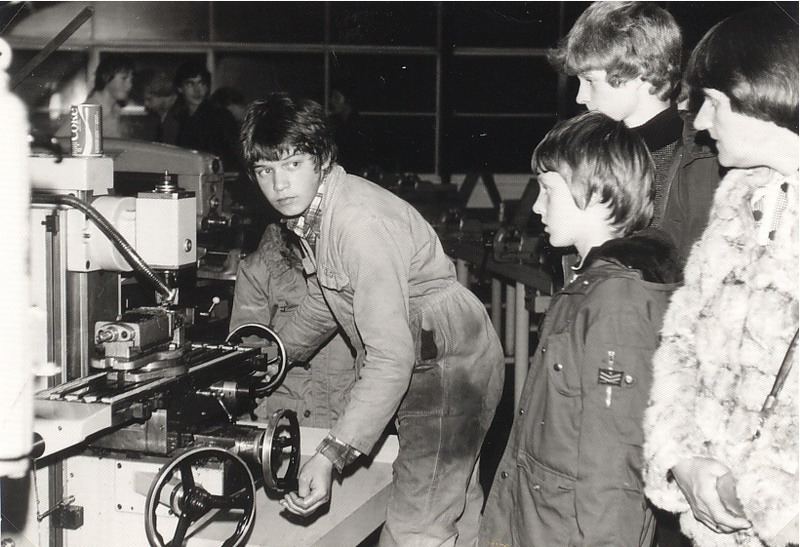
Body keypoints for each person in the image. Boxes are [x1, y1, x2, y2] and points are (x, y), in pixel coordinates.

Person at [240, 93, 505, 546]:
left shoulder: (356, 223)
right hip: (442, 346)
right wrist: (273, 356)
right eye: (265, 171)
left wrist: (330, 454)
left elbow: (390, 358)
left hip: (443, 360)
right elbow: (327, 298)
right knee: (454, 512)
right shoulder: (318, 213)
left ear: (322, 159)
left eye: (293, 164)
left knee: (415, 528)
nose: (279, 184)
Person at [479, 111, 682, 547]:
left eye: (547, 190)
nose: (536, 207)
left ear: (597, 192)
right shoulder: (589, 285)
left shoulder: (617, 304)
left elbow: (615, 462)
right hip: (543, 521)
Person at [643, 7, 798, 547]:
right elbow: (681, 345)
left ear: (761, 93)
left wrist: (770, 500)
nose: (702, 124)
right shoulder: (738, 200)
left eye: (712, 102)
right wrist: (680, 458)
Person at [549, 1, 722, 265]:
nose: (580, 97)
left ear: (640, 71)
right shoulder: (590, 152)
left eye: (590, 81)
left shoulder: (705, 162)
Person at [229, 221, 356, 428]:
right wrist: (269, 361)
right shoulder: (258, 270)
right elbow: (250, 353)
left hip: (348, 414)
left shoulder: (355, 261)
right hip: (285, 419)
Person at [172, 61, 241, 170]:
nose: (197, 90)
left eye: (201, 83)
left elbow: (233, 155)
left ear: (207, 87)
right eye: (190, 84)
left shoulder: (220, 116)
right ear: (180, 88)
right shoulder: (179, 119)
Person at [58, 54, 134, 139]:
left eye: (131, 80)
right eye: (124, 78)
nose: (129, 85)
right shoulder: (87, 111)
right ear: (106, 77)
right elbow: (59, 142)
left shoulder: (115, 111)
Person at [140, 70, 178, 144]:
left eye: (149, 99)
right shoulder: (154, 119)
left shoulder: (178, 121)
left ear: (166, 97)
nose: (146, 104)